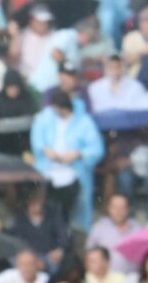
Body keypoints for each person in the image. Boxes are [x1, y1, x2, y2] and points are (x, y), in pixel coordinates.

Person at [30, 90, 104, 229]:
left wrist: (78, 154)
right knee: (46, 204)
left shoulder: (84, 122)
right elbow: (37, 139)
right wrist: (45, 150)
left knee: (73, 206)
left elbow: (96, 149)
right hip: (47, 168)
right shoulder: (46, 117)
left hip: (74, 171)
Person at [86, 192, 139, 275]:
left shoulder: (137, 229)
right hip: (104, 278)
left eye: (122, 207)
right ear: (109, 208)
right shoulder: (99, 227)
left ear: (128, 209)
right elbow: (88, 253)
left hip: (131, 279)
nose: (118, 211)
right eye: (115, 207)